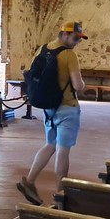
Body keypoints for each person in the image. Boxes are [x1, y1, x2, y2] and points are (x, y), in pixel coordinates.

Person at [17, 21, 87, 206]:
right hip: (67, 107)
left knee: (50, 145)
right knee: (63, 151)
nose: (77, 42)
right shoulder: (69, 55)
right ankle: (60, 197)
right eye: (75, 38)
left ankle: (29, 181)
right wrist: (82, 85)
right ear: (64, 34)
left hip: (49, 108)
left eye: (79, 39)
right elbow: (78, 85)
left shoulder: (42, 49)